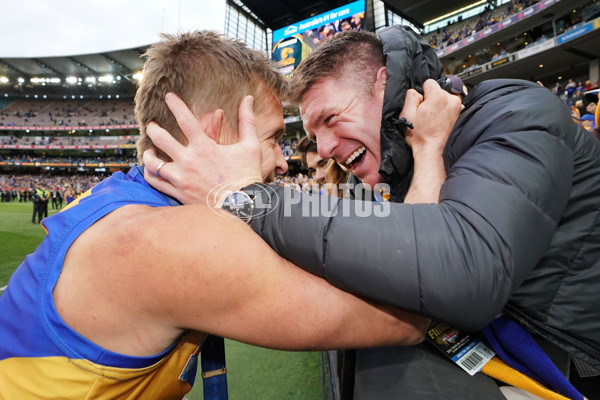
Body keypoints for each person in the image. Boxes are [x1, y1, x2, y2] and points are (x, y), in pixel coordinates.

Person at [146, 27, 600, 399]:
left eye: (329, 120)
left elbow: (462, 275)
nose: (321, 149)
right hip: (503, 346)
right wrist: (425, 153)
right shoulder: (392, 167)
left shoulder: (519, 113)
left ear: (385, 87)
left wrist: (249, 197)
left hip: (574, 364)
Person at [0, 31, 447, 399]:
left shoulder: (138, 201)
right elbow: (406, 311)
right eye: (272, 138)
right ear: (213, 134)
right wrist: (427, 149)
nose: (281, 162)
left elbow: (321, 221)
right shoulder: (173, 244)